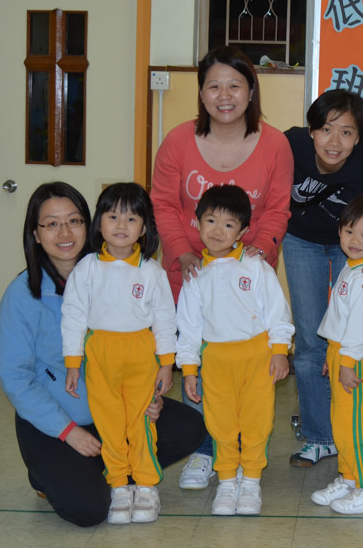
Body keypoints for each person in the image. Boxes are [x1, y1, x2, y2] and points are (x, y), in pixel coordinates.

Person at [0, 182, 205, 527]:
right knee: (89, 509)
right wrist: (68, 431)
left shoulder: (117, 270)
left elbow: (146, 338)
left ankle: (116, 470)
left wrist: (150, 396)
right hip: (58, 420)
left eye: (74, 221)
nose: (65, 233)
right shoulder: (22, 295)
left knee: (190, 427)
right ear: (35, 234)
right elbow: (16, 379)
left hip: (120, 403)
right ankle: (55, 471)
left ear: (89, 224)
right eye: (51, 224)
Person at [151, 45, 294, 490]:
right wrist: (182, 251)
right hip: (190, 272)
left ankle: (244, 451)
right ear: (201, 93)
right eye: (214, 86)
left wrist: (260, 250)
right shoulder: (177, 141)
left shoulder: (275, 144)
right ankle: (203, 449)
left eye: (235, 85)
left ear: (251, 91)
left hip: (245, 276)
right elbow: (163, 203)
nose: (224, 95)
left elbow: (277, 208)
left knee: (245, 366)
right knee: (195, 356)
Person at [283, 89, 363, 468]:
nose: (335, 142)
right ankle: (319, 437)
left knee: (350, 335)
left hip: (351, 246)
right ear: (311, 130)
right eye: (326, 130)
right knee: (310, 340)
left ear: (359, 137)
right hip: (300, 240)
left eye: (346, 132)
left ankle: (351, 428)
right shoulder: (291, 145)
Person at [61, 182, 177, 524]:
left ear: (144, 228)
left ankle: (146, 485)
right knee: (109, 424)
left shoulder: (152, 271)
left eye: (131, 218)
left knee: (141, 422)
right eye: (113, 216)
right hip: (100, 355)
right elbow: (73, 316)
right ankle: (119, 485)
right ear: (99, 223)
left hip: (141, 353)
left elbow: (165, 319)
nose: (121, 225)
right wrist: (73, 362)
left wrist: (166, 363)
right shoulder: (87, 268)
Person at [176, 185, 294, 516]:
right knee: (221, 423)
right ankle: (227, 481)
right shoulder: (195, 275)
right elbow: (188, 327)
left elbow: (278, 312)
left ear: (242, 232)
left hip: (257, 358)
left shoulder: (255, 266)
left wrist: (280, 350)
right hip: (216, 360)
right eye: (211, 221)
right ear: (198, 223)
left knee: (257, 422)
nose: (218, 230)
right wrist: (189, 369)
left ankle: (251, 481)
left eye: (228, 225)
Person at [310, 196, 363, 515]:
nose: (355, 240)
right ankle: (350, 479)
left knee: (357, 431)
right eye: (349, 231)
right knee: (343, 428)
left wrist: (345, 362)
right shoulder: (352, 266)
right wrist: (332, 357)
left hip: (356, 361)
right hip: (342, 354)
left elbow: (360, 327)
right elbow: (341, 320)